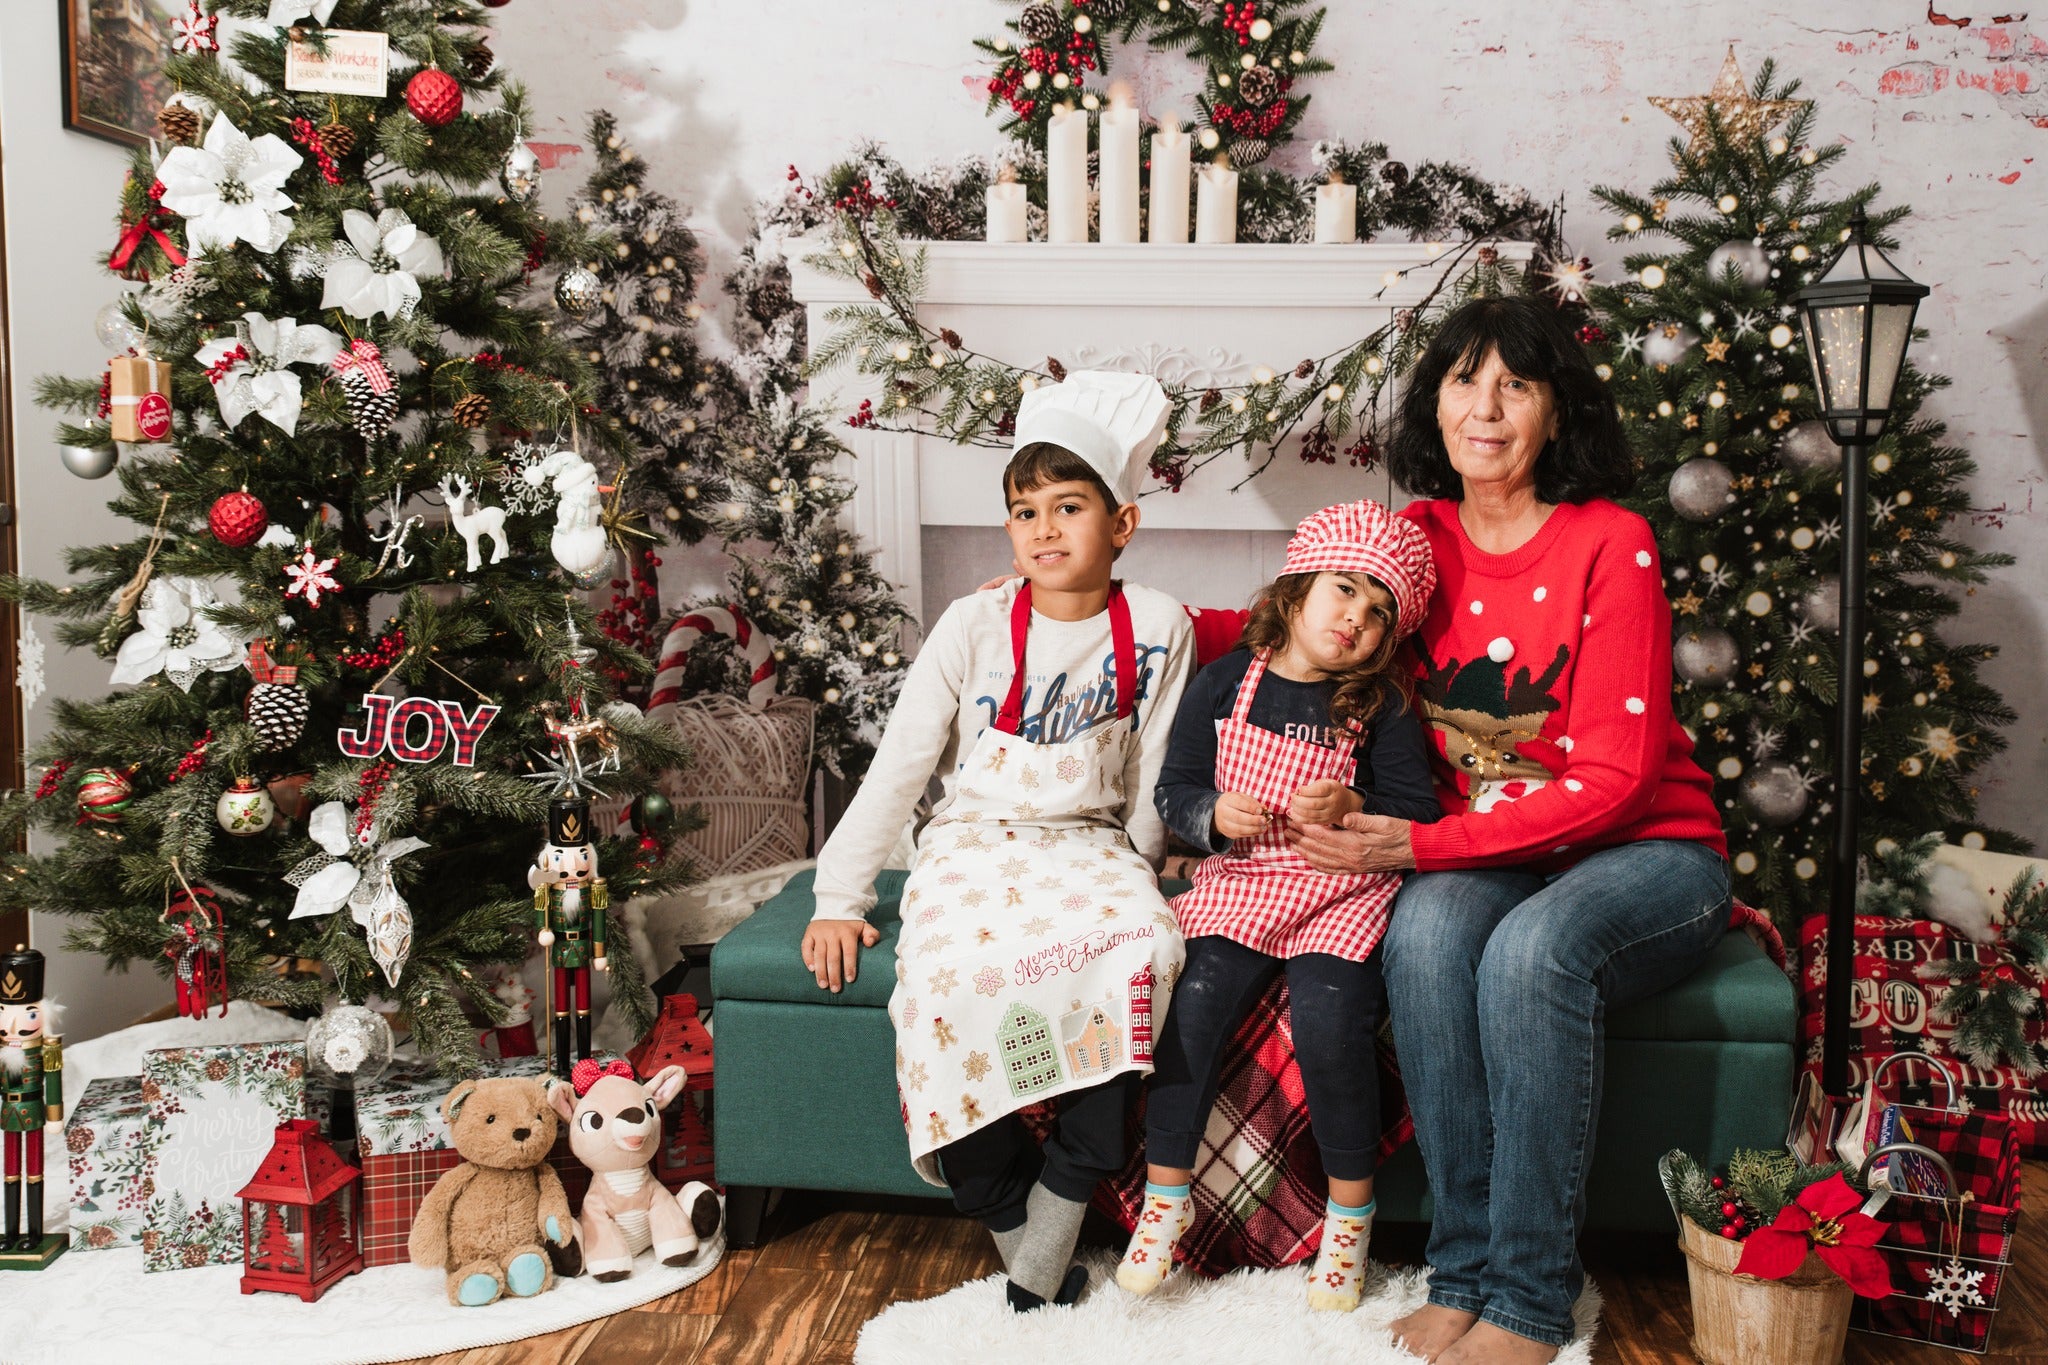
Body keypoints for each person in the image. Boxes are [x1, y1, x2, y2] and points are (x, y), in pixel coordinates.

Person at [1278, 296, 1730, 1364]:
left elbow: (1616, 783)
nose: (1483, 408)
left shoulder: (1607, 544)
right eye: (1461, 380)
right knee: (1427, 935)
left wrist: (1415, 843)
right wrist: (1086, 597)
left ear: (1554, 410)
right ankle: (1462, 1269)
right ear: (1432, 402)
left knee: (1530, 955)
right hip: (1498, 850)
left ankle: (1529, 1295)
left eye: (1514, 385)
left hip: (1648, 852)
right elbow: (1288, 612)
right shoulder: (1414, 542)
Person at [802, 370, 1196, 1312]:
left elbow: (1152, 777)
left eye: (1069, 506)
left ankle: (1065, 1188)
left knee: (1139, 948)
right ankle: (1019, 1225)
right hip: (975, 843)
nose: (1045, 530)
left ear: (1123, 524)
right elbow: (900, 768)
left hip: (1091, 846)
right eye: (1025, 511)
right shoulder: (972, 622)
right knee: (938, 978)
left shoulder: (1158, 624)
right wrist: (837, 898)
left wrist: (1143, 876)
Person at [1114, 499, 1441, 1313]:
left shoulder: (1383, 703)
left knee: (1332, 1026)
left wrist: (1356, 798)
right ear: (1295, 590)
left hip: (1341, 890)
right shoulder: (1227, 681)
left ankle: (1349, 1217)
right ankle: (1165, 1197)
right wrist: (1213, 816)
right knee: (1191, 1006)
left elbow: (1418, 812)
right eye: (1343, 591)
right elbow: (1176, 786)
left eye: (1377, 611)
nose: (1355, 619)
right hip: (1246, 881)